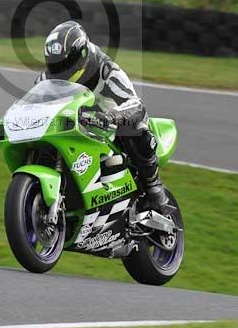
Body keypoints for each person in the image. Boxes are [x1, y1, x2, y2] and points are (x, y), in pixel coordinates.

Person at [36, 20, 168, 209]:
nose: (59, 72)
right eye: (54, 66)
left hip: (111, 125)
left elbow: (136, 105)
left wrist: (112, 117)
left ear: (81, 55)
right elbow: (34, 106)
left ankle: (154, 188)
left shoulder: (106, 70)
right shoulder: (45, 79)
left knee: (134, 128)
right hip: (73, 127)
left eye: (64, 65)